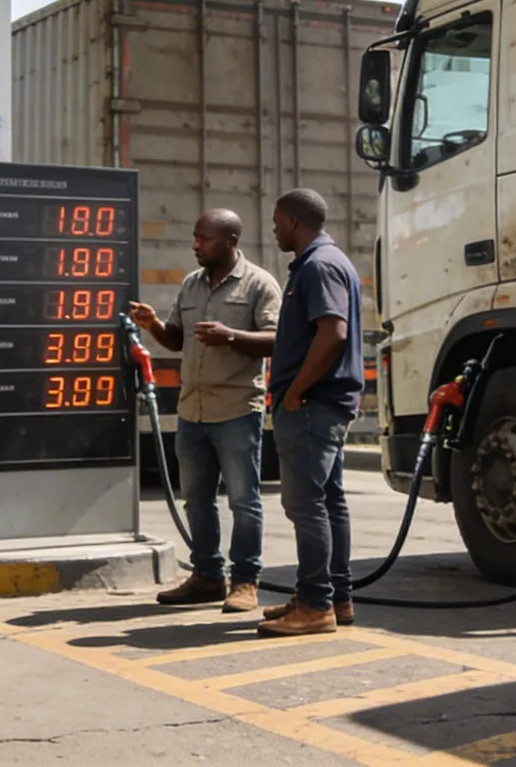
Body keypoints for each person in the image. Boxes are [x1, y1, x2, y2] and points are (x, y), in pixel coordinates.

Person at [130, 209, 280, 614]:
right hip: (191, 410)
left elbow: (276, 339)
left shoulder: (259, 284)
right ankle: (207, 576)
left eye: (205, 238)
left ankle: (245, 580)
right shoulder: (191, 285)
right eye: (195, 237)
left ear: (230, 240)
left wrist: (231, 336)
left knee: (244, 501)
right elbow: (177, 339)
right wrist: (154, 324)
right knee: (196, 500)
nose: (196, 244)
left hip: (235, 410)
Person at [257, 188, 364, 637]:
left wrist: (297, 390)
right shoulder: (326, 262)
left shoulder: (319, 266)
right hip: (324, 403)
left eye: (278, 221)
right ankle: (333, 597)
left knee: (305, 503)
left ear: (296, 222)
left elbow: (333, 332)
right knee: (328, 500)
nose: (274, 229)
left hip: (313, 404)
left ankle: (316, 605)